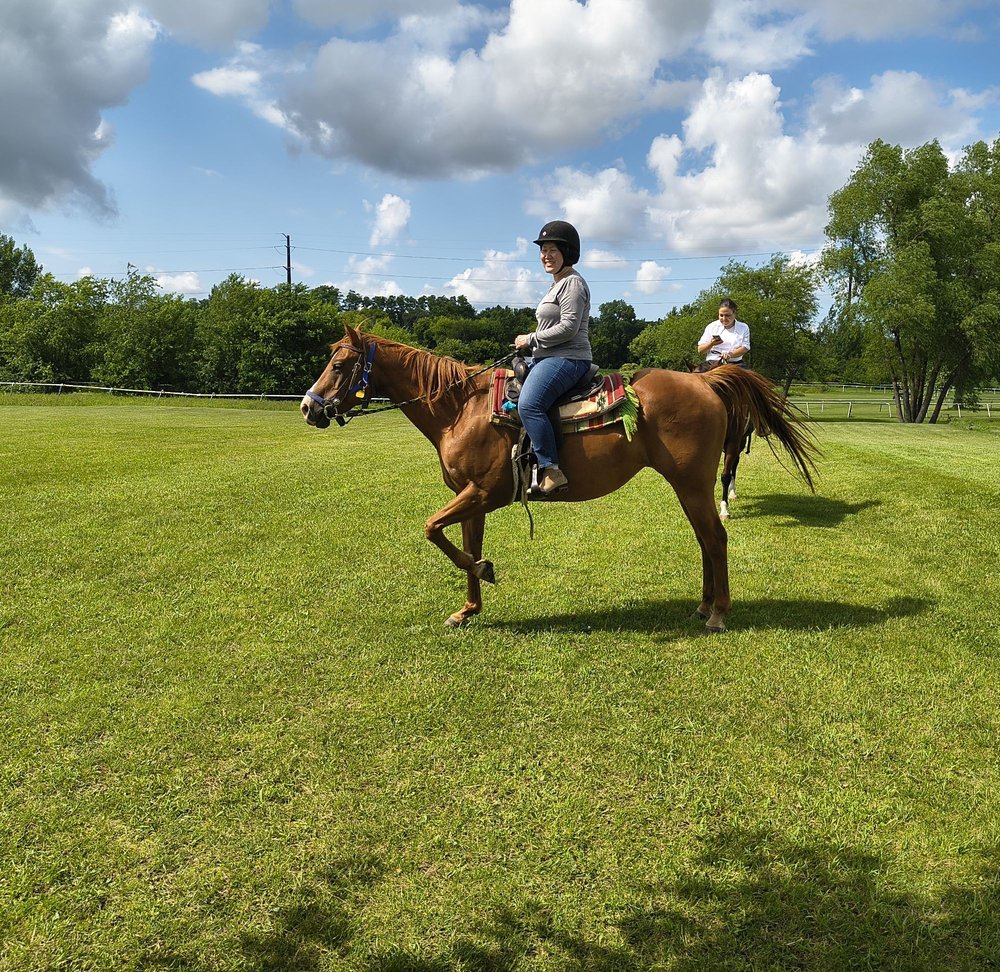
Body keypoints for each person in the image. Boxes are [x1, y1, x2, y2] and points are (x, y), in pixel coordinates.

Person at [513, 220, 593, 496]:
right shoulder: (555, 285)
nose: (546, 255)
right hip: (547, 357)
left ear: (567, 253)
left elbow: (569, 328)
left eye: (552, 250)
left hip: (568, 358)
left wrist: (530, 339)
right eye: (543, 250)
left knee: (530, 405)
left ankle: (550, 469)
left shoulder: (572, 284)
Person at [697, 298, 750, 367]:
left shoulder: (743, 327)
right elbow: (700, 350)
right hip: (713, 363)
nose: (724, 319)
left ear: (734, 314)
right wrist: (711, 343)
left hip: (735, 364)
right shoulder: (712, 326)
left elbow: (745, 347)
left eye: (727, 315)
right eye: (721, 315)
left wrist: (730, 355)